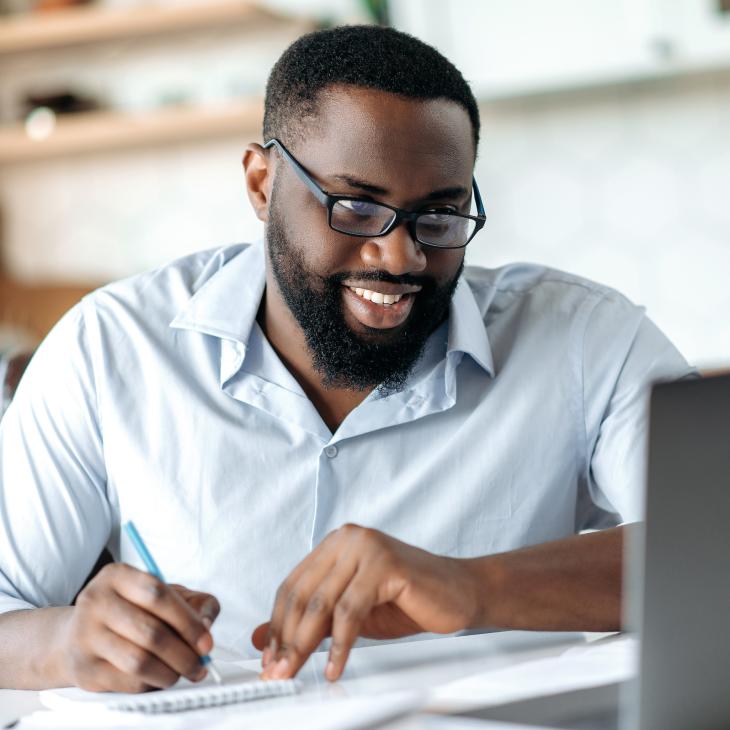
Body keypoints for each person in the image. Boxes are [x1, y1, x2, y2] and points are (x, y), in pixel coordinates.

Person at [0, 25, 693, 692]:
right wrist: (67, 644)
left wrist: (469, 586)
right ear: (261, 184)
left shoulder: (583, 340)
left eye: (440, 216)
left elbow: (713, 555)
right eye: (356, 209)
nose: (400, 257)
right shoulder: (112, 348)